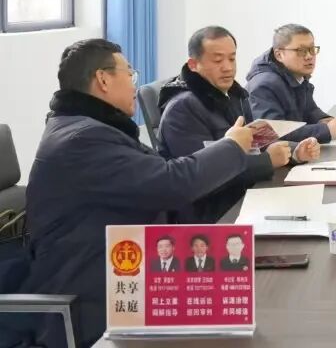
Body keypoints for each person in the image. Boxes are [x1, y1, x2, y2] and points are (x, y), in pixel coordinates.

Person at [20, 39, 255, 348]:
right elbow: (172, 184)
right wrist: (232, 146)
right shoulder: (83, 139)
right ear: (103, 79)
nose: (134, 84)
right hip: (99, 295)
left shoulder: (89, 127)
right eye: (129, 74)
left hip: (128, 271)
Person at [158, 26, 321, 222]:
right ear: (193, 64)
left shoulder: (233, 95)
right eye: (218, 60)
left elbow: (258, 140)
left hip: (246, 197)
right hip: (214, 216)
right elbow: (202, 175)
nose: (228, 67)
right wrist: (267, 161)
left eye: (232, 58)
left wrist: (294, 151)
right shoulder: (182, 109)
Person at [246, 24, 336, 143]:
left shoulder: (296, 75)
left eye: (312, 49)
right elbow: (270, 134)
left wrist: (325, 120)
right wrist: (326, 130)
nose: (309, 56)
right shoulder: (264, 85)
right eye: (301, 51)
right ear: (279, 55)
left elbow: (310, 110)